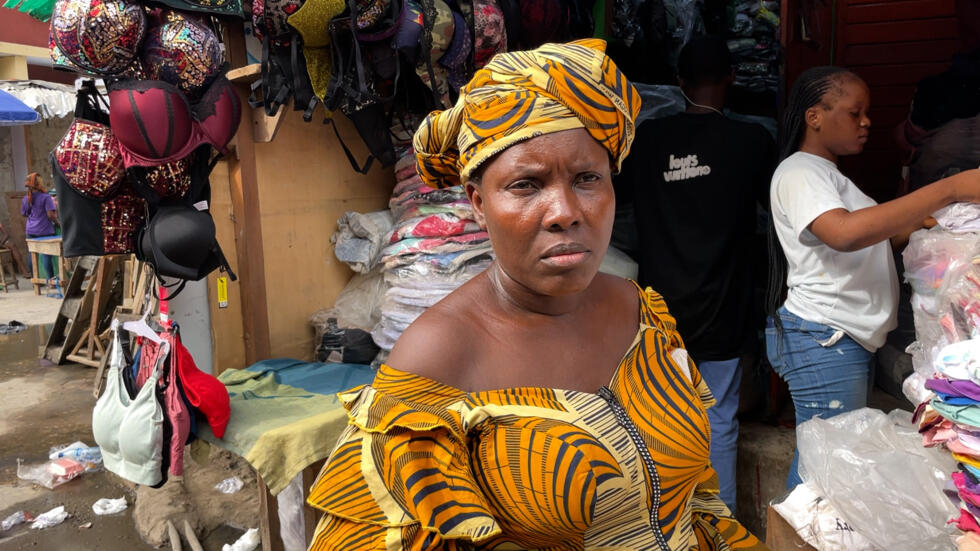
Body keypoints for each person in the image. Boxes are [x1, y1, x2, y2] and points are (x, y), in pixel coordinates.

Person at [306, 40, 764, 550]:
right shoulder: (438, 356)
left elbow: (695, 496)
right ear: (478, 204)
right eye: (526, 185)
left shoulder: (641, 312)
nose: (565, 211)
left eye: (587, 178)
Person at [765, 66, 980, 489]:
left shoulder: (830, 177)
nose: (866, 122)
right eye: (854, 112)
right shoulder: (799, 172)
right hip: (824, 337)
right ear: (815, 116)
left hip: (840, 337)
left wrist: (934, 223)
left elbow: (874, 237)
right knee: (823, 472)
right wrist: (949, 190)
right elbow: (844, 234)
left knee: (831, 461)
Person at [615, 35, 776, 512]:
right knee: (720, 418)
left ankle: (665, 521)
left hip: (661, 309)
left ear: (679, 82)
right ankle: (719, 524)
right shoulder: (751, 142)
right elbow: (777, 212)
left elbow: (613, 201)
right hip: (724, 307)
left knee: (660, 417)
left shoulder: (647, 142)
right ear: (731, 77)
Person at [20, 172, 58, 283]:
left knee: (32, 255)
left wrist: (34, 213)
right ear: (39, 183)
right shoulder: (45, 197)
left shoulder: (26, 198)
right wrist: (58, 223)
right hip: (44, 230)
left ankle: (34, 280)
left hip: (30, 230)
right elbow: (50, 215)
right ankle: (50, 279)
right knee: (46, 255)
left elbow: (24, 213)